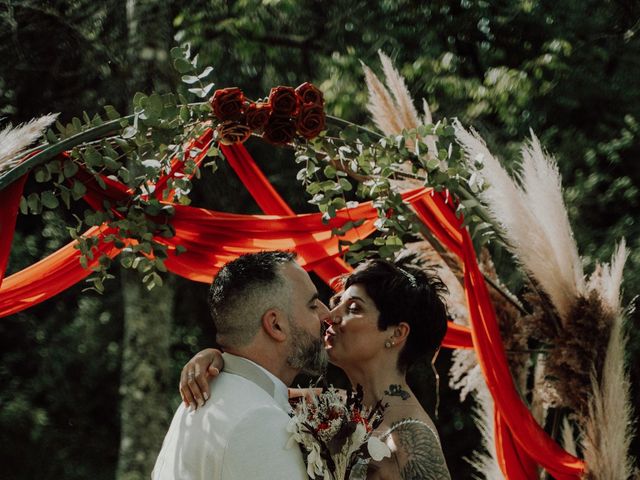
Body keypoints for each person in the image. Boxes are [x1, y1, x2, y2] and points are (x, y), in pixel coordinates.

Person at [182, 258, 452, 479]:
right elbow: (254, 386)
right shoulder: (331, 407)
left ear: (396, 333)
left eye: (354, 308)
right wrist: (214, 358)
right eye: (338, 304)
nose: (331, 317)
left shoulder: (412, 435)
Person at [152, 250, 330, 480]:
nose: (327, 313)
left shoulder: (197, 403)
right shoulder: (259, 420)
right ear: (276, 325)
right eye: (313, 305)